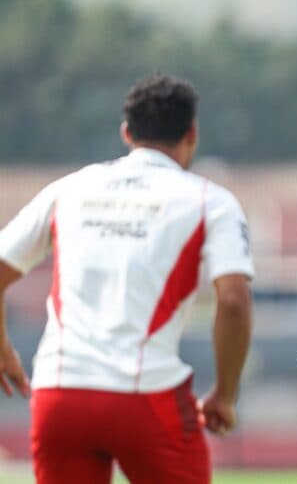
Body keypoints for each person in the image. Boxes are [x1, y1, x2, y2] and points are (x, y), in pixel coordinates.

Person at [0, 74, 254, 482]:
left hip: (60, 393)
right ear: (192, 134)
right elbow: (233, 301)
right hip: (147, 395)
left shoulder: (70, 188)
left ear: (126, 132)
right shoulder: (211, 200)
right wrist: (225, 394)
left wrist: (2, 347)